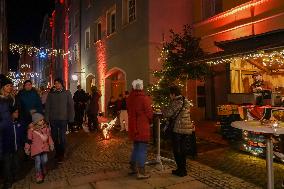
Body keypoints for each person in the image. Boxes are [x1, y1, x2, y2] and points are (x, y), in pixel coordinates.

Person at [162, 85, 194, 177]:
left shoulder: (177, 102)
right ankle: (182, 169)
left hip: (178, 128)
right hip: (186, 128)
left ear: (173, 94)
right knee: (182, 149)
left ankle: (181, 170)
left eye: (170, 94)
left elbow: (168, 113)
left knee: (177, 150)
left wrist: (163, 109)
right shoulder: (185, 101)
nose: (169, 96)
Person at [127, 79, 153, 179]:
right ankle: (141, 172)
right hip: (142, 126)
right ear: (141, 87)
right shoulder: (144, 98)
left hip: (133, 127)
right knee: (142, 148)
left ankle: (132, 168)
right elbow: (149, 113)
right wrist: (151, 119)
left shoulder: (130, 98)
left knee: (136, 147)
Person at [45, 78, 74, 163]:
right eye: (56, 83)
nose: (57, 85)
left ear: (62, 84)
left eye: (58, 83)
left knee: (62, 137)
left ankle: (62, 153)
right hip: (53, 119)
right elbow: (47, 107)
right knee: (54, 137)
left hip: (63, 119)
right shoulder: (51, 94)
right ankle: (57, 152)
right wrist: (46, 118)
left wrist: (71, 118)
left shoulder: (67, 93)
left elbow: (70, 106)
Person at [24, 112, 54, 183]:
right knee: (37, 162)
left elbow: (49, 137)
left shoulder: (46, 128)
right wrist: (27, 148)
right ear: (36, 122)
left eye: (42, 120)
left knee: (45, 160)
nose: (42, 121)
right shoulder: (31, 131)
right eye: (40, 120)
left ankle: (43, 167)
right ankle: (38, 175)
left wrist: (51, 144)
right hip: (36, 149)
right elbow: (29, 140)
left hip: (44, 148)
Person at [0, 74, 17, 189]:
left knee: (7, 156)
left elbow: (15, 114)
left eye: (11, 85)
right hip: (2, 130)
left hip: (9, 131)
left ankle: (8, 180)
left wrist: (14, 116)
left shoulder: (12, 99)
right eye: (7, 85)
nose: (10, 87)